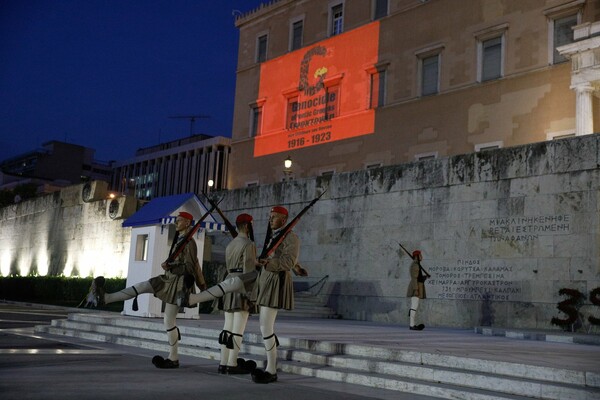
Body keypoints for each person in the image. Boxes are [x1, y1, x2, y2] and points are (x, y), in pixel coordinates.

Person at [180, 205, 302, 384]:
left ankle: (267, 369)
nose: (270, 219)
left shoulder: (290, 237)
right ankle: (239, 364)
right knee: (246, 327)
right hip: (258, 281)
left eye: (274, 217)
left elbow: (288, 260)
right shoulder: (268, 239)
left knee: (259, 327)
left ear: (284, 220)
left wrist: (269, 264)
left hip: (272, 282)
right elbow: (262, 264)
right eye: (270, 216)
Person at [85, 211, 206, 369]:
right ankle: (105, 298)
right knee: (143, 286)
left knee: (169, 320)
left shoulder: (189, 243)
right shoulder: (183, 240)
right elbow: (193, 265)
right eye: (176, 221)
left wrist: (172, 266)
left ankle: (173, 357)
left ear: (187, 224)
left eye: (179, 221)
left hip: (178, 283)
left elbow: (190, 266)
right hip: (168, 279)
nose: (176, 223)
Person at [216, 213, 260, 375]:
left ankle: (223, 363)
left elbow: (235, 264)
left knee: (227, 327)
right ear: (248, 226)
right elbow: (249, 270)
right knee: (238, 327)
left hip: (229, 281)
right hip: (242, 284)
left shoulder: (231, 244)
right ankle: (232, 363)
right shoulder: (248, 244)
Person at [407, 250, 426, 331]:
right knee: (414, 306)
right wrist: (415, 290)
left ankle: (412, 324)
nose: (421, 257)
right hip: (416, 287)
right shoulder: (415, 265)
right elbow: (414, 278)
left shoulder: (417, 264)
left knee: (414, 306)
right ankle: (412, 325)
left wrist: (425, 277)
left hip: (418, 286)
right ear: (417, 256)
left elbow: (418, 278)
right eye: (420, 255)